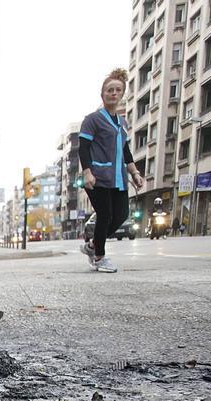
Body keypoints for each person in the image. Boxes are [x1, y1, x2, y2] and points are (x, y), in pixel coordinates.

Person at [77, 68, 143, 273]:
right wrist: (87, 172)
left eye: (117, 90)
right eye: (109, 90)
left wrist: (135, 173)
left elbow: (125, 150)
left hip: (118, 178)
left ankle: (92, 245)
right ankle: (99, 257)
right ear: (102, 94)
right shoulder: (92, 120)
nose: (113, 93)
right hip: (97, 177)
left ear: (122, 94)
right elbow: (84, 147)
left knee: (121, 214)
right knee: (104, 214)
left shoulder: (122, 123)